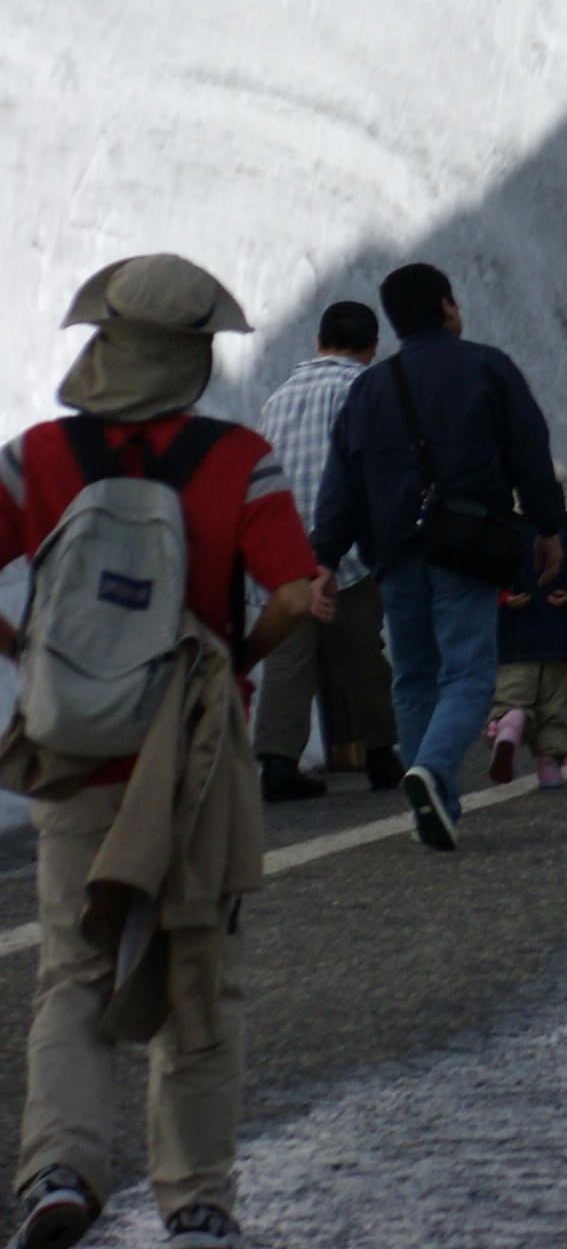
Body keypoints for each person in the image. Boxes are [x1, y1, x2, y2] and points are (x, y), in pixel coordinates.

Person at [0, 256, 321, 1249]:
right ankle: (197, 1201)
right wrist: (233, 663)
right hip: (196, 756)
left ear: (103, 339)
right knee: (199, 975)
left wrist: (31, 655)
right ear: (193, 352)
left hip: (78, 750)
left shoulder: (36, 454)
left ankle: (59, 1167)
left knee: (74, 967)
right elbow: (301, 593)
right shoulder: (240, 458)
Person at [312, 261, 566, 855]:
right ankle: (430, 769)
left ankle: (437, 803)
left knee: (414, 675)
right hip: (467, 545)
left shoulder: (369, 388)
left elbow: (341, 482)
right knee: (471, 675)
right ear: (448, 307)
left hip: (396, 553)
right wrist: (548, 525)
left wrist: (324, 555)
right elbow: (530, 448)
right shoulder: (486, 367)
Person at [252, 299, 396, 803]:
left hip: (285, 551)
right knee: (363, 656)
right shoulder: (366, 389)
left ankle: (276, 763)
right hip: (347, 550)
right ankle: (382, 756)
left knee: (289, 659)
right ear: (373, 349)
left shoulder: (278, 398)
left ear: (318, 342)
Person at [486, 484, 567, 791]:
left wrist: (503, 597)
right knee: (555, 705)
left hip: (516, 636)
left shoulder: (504, 535)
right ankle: (549, 767)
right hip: (563, 637)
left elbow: (484, 572)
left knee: (512, 694)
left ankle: (509, 725)